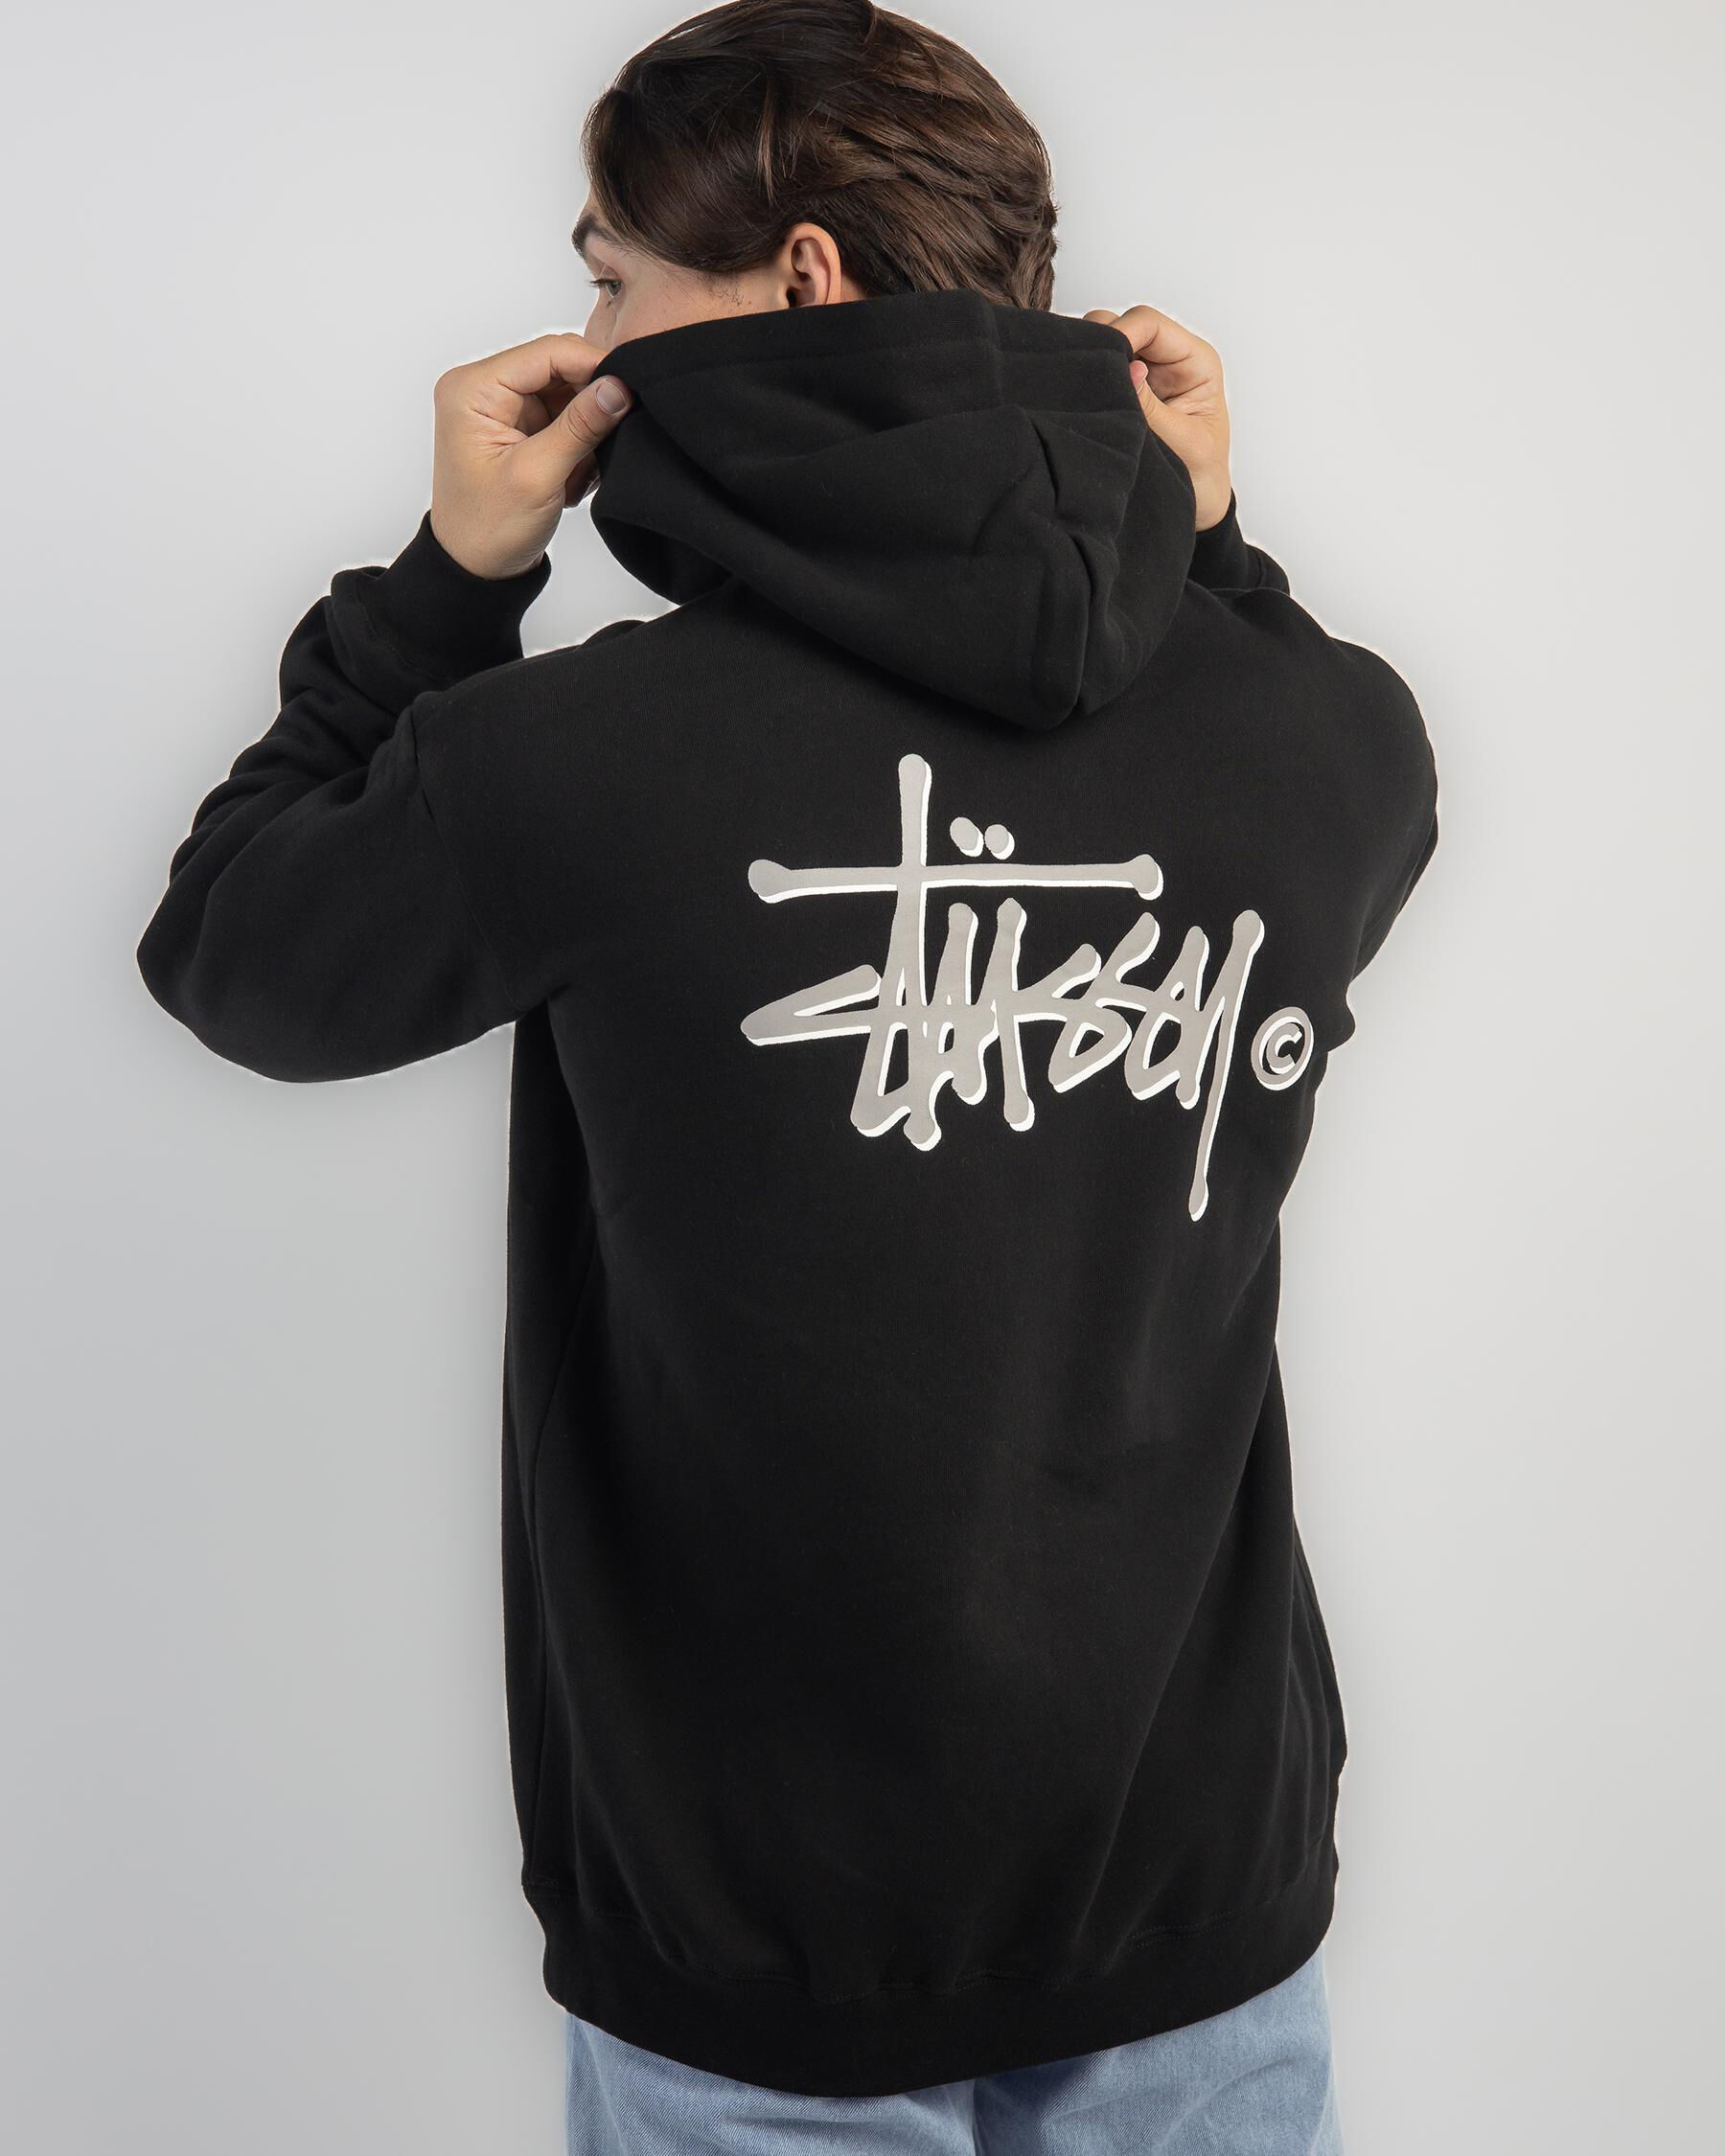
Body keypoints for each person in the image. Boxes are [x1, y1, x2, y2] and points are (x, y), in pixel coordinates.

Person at [134, 1, 1438, 2147]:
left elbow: (238, 951)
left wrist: (450, 581)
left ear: (803, 276)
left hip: (766, 1945)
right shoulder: (1324, 740)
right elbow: (1320, 761)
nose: (593, 340)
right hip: (1201, 1887)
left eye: (612, 283)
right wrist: (1202, 544)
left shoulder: (580, 758)